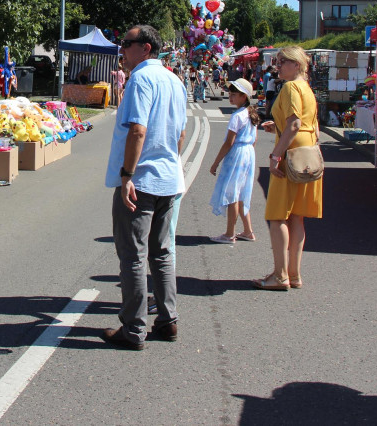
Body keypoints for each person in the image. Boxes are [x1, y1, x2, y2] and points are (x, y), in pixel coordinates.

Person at [102, 24, 187, 350]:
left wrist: (127, 175)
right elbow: (180, 133)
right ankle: (168, 321)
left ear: (146, 48)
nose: (122, 49)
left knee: (133, 256)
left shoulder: (141, 78)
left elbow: (138, 130)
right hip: (169, 178)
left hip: (142, 181)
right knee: (162, 254)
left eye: (127, 44)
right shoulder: (174, 80)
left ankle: (133, 329)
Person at [254, 45, 323, 291]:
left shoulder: (291, 86)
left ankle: (280, 275)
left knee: (277, 215)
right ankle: (293, 274)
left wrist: (275, 154)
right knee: (297, 216)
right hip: (306, 152)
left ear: (297, 65)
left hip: (291, 153)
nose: (278, 65)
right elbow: (309, 126)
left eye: (283, 61)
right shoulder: (307, 89)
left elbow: (294, 125)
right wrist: (279, 127)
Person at [208, 78, 259, 244]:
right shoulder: (251, 114)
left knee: (232, 194)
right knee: (243, 191)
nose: (231, 97)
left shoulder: (237, 116)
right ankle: (248, 231)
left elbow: (228, 142)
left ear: (244, 96)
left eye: (234, 94)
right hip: (248, 153)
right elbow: (255, 139)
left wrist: (216, 162)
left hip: (237, 154)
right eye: (230, 94)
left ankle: (230, 233)